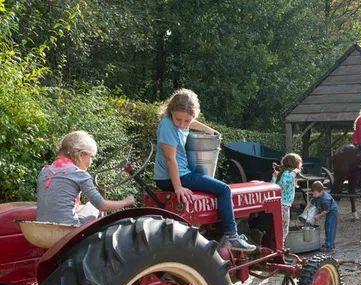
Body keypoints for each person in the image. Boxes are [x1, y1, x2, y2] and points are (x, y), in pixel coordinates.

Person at [154, 88, 255, 252]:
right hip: (173, 176)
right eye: (178, 119)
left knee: (205, 177)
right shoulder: (167, 126)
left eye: (186, 121)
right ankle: (231, 236)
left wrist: (208, 130)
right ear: (171, 111)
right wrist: (178, 186)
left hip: (179, 173)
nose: (182, 124)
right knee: (224, 189)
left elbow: (191, 122)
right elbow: (170, 159)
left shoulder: (178, 121)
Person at [36, 131, 135, 226]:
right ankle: (96, 242)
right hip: (67, 229)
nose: (91, 162)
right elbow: (102, 205)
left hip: (42, 231)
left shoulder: (44, 171)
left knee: (82, 207)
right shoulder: (79, 174)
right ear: (81, 154)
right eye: (91, 157)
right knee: (93, 207)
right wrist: (126, 201)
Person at [272, 153, 303, 241]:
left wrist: (274, 177)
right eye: (300, 163)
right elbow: (283, 185)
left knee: (281, 228)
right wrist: (293, 173)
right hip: (283, 205)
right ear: (295, 163)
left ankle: (280, 245)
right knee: (284, 228)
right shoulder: (287, 174)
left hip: (283, 205)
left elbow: (274, 185)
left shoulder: (284, 173)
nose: (301, 165)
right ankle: (281, 246)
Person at [310, 181, 339, 252]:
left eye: (315, 193)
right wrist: (305, 212)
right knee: (326, 227)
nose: (314, 195)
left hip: (332, 212)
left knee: (330, 228)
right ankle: (328, 243)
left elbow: (326, 211)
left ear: (321, 191)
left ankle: (330, 247)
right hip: (328, 212)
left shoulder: (325, 199)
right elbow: (310, 203)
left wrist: (318, 216)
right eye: (313, 193)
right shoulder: (317, 195)